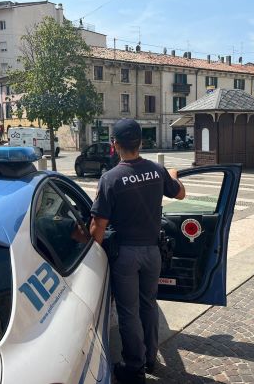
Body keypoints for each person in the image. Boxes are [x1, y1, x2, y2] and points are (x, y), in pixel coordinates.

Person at [90, 119, 185, 384]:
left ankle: (134, 367)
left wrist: (89, 251)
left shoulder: (110, 179)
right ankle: (150, 358)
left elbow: (98, 225)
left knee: (128, 312)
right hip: (153, 252)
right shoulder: (157, 170)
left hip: (126, 256)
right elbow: (181, 195)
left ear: (115, 145)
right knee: (149, 305)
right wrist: (173, 175)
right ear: (141, 143)